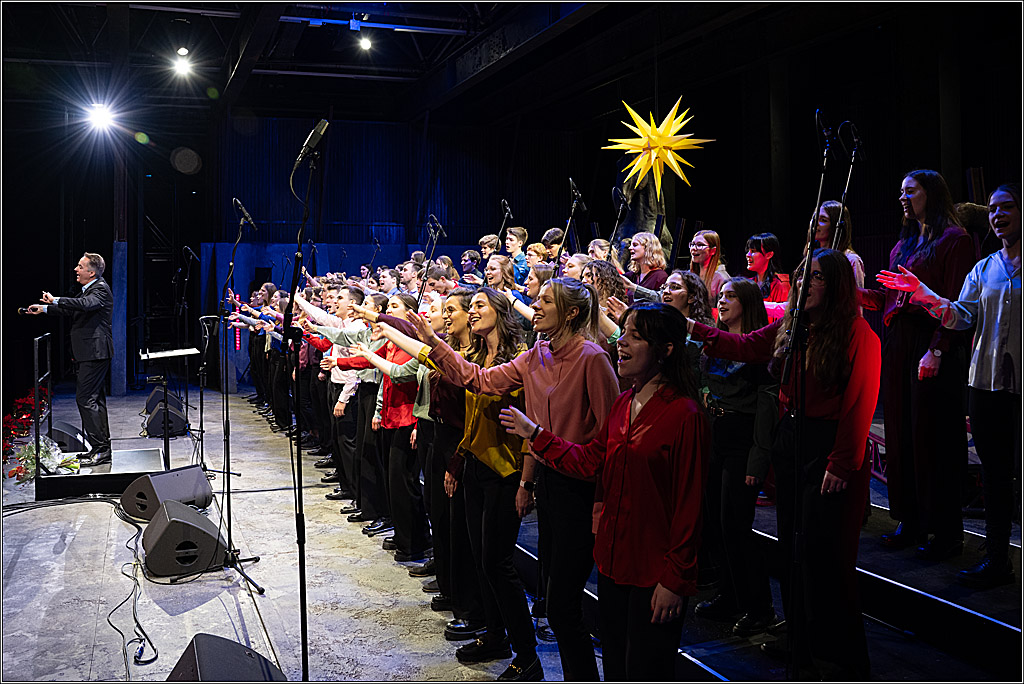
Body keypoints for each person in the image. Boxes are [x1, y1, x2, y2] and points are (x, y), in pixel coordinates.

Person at [403, 277, 620, 681]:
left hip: (582, 490)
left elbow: (609, 442)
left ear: (571, 312)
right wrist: (434, 341)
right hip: (552, 484)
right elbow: (479, 380)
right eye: (535, 301)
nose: (534, 306)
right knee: (557, 607)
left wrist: (534, 471)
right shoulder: (536, 354)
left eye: (544, 302)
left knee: (563, 608)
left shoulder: (592, 358)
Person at [687, 248, 881, 678]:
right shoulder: (794, 328)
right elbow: (743, 345)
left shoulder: (857, 334)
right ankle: (802, 642)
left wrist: (842, 462)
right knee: (794, 550)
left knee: (824, 556)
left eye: (815, 277)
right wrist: (692, 328)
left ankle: (841, 657)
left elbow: (859, 405)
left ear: (835, 286)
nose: (803, 284)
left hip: (829, 449)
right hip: (793, 442)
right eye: (801, 276)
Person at [498, 302, 709, 681]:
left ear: (666, 349)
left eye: (635, 336)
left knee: (645, 671)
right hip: (614, 564)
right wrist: (536, 435)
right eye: (623, 333)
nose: (621, 343)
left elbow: (689, 506)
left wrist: (675, 581)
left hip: (654, 574)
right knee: (614, 667)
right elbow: (591, 461)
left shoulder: (685, 414)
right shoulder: (624, 404)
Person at [876, 183, 1020, 589]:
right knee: (994, 474)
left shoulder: (956, 244)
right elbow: (960, 315)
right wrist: (923, 295)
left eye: (1007, 207)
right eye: (992, 209)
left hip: (1016, 385)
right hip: (987, 383)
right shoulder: (986, 267)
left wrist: (936, 348)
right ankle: (996, 559)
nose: (997, 214)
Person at [861, 169, 976, 560]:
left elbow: (961, 305)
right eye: (900, 191)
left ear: (932, 193)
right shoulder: (903, 244)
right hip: (901, 343)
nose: (903, 198)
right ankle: (910, 519)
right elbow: (892, 299)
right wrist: (851, 291)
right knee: (901, 433)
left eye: (910, 190)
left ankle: (944, 531)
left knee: (935, 438)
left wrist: (939, 349)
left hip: (934, 342)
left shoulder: (954, 240)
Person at [692, 278, 779, 637]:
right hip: (716, 433)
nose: (722, 301)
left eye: (730, 296)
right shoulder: (715, 340)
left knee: (736, 526)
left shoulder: (758, 348)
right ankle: (730, 596)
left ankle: (760, 607)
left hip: (743, 439)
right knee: (717, 524)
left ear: (747, 302)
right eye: (721, 295)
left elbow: (766, 406)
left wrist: (758, 462)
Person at [29, 252, 114, 466]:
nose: (76, 269)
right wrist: (45, 308)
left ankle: (101, 449)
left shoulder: (100, 289)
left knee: (85, 399)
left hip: (95, 352)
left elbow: (84, 305)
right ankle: (101, 448)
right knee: (94, 399)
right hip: (91, 352)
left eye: (80, 266)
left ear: (91, 272)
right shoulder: (90, 290)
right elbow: (74, 309)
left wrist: (55, 299)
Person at [814, 201, 866, 287]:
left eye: (823, 220)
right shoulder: (812, 257)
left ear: (836, 226)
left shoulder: (851, 260)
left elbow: (857, 297)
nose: (815, 224)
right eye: (815, 218)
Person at [745, 233, 790, 319]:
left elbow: (783, 320)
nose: (748, 255)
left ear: (769, 255)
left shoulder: (781, 285)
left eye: (753, 251)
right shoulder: (749, 283)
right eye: (748, 251)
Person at [689, 229, 730, 308]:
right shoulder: (691, 274)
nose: (694, 248)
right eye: (692, 244)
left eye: (700, 245)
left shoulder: (721, 278)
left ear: (713, 250)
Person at [623, 232, 668, 296]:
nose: (630, 248)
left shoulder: (660, 276)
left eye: (635, 245)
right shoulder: (633, 275)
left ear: (648, 248)